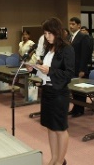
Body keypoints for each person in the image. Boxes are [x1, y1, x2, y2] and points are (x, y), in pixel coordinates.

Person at [26, 17, 75, 165]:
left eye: (49, 33)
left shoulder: (67, 49)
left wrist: (50, 71)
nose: (46, 37)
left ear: (57, 32)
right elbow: (45, 70)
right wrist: (34, 69)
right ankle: (53, 157)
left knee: (60, 128)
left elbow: (69, 74)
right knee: (50, 126)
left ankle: (60, 161)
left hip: (59, 93)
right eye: (45, 33)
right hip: (47, 90)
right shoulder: (48, 49)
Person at [68, 17, 91, 117]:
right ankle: (75, 107)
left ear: (78, 25)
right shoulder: (70, 37)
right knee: (74, 89)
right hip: (72, 67)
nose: (71, 26)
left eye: (73, 24)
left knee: (80, 90)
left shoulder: (83, 36)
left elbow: (85, 54)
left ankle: (80, 109)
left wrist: (82, 69)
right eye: (70, 24)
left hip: (79, 67)